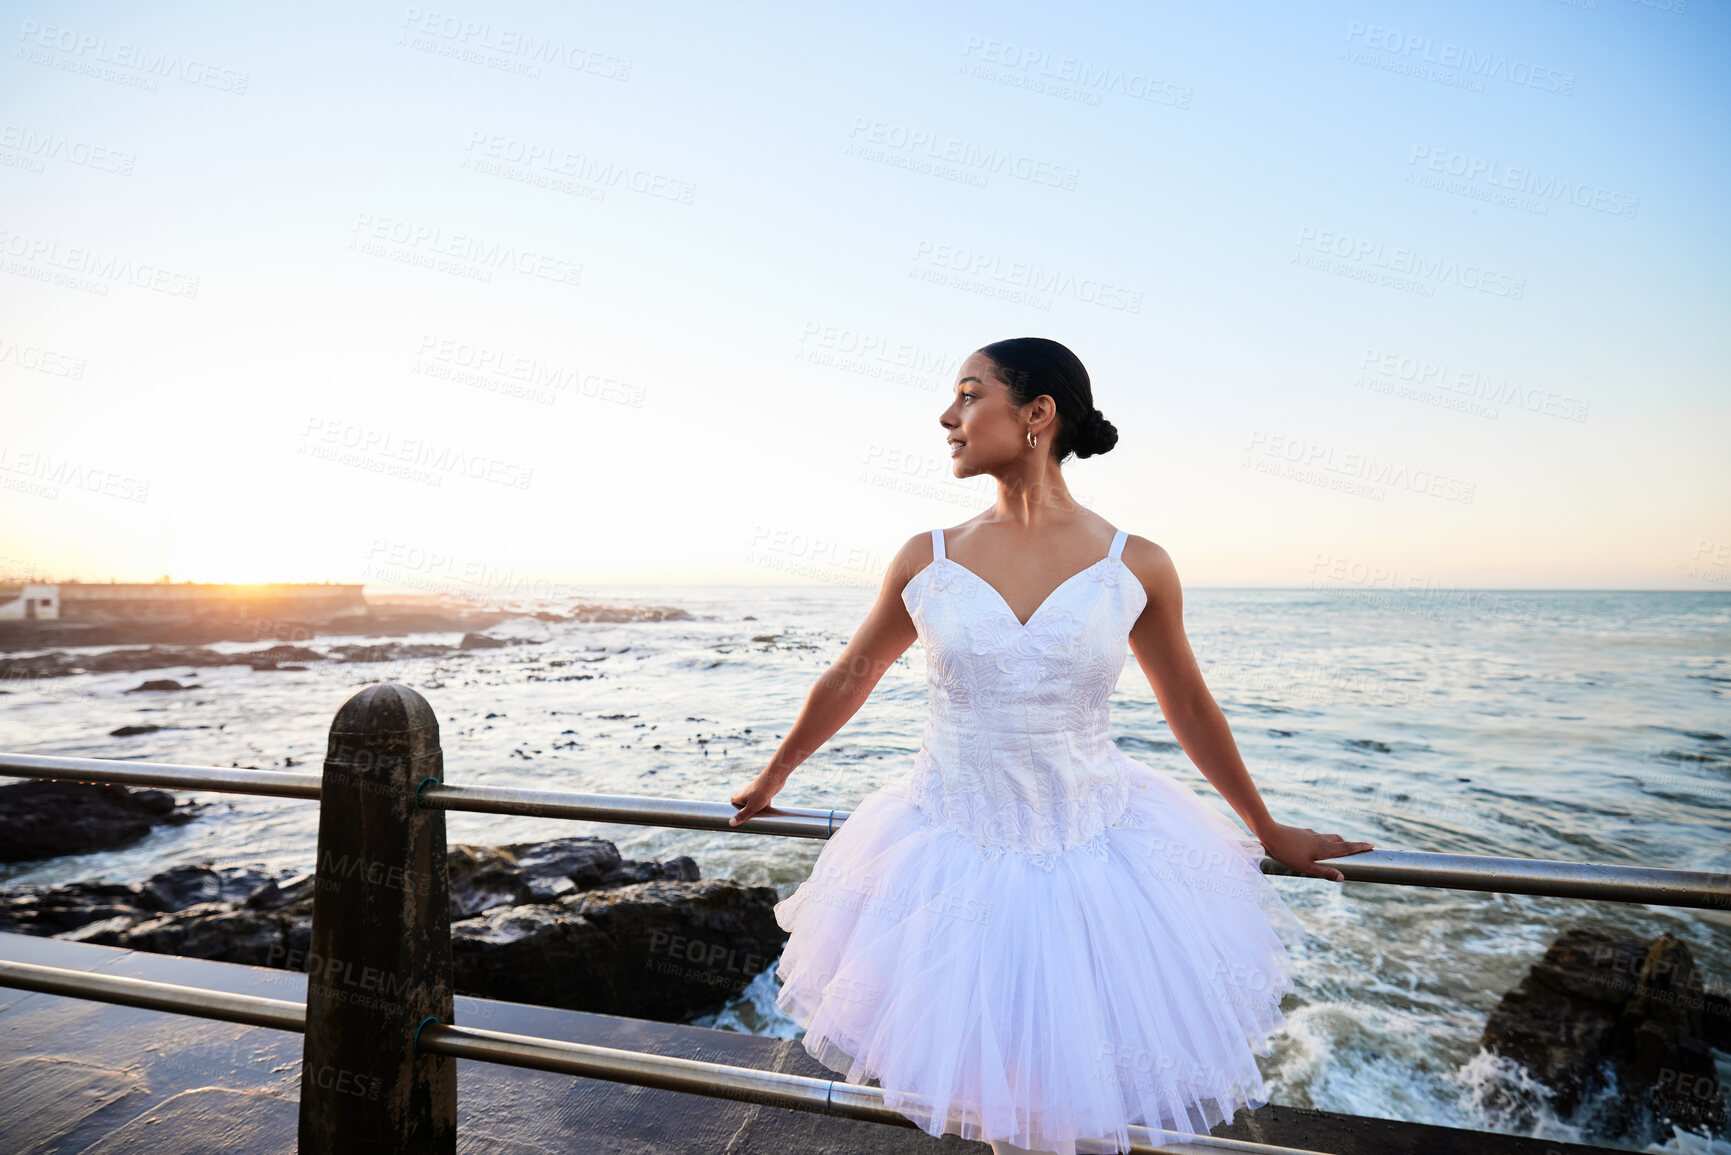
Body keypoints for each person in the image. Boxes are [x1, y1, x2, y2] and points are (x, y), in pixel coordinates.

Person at [728, 336, 1374, 1155]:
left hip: (1099, 863)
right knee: (989, 1103)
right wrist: (771, 774)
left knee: (1077, 1093)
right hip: (945, 856)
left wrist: (1267, 826)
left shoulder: (1135, 563)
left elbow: (1187, 704)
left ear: (1037, 415)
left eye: (969, 394)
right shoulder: (926, 556)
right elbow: (853, 673)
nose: (946, 415)